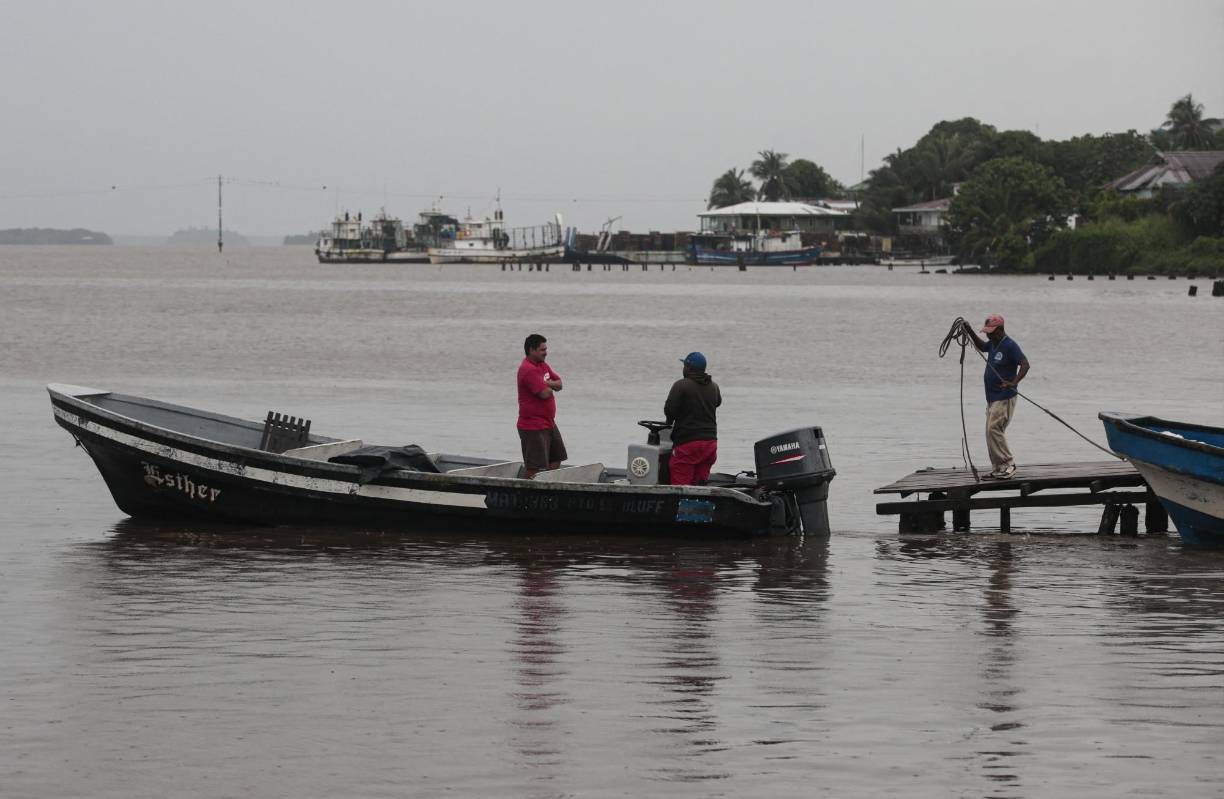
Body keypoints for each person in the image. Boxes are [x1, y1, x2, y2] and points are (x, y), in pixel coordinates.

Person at [961, 314, 1030, 479]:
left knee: (994, 429)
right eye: (987, 332)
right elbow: (982, 345)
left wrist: (1013, 382)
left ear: (999, 330)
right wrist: (969, 330)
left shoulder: (1010, 345)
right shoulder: (993, 344)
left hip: (1005, 396)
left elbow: (1025, 364)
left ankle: (1009, 464)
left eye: (991, 331)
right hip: (992, 397)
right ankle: (998, 467)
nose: (988, 334)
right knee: (990, 431)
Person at [664, 351, 722, 486]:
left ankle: (679, 505)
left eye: (684, 366)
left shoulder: (681, 385)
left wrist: (669, 421)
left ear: (689, 368)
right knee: (699, 486)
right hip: (710, 444)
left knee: (681, 486)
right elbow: (717, 402)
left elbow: (670, 410)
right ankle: (699, 505)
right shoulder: (714, 386)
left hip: (688, 445)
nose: (683, 369)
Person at [517, 333, 567, 478]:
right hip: (533, 426)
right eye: (542, 350)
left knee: (556, 459)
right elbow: (544, 394)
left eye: (546, 349)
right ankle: (525, 492)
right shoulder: (527, 369)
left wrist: (545, 382)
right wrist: (550, 385)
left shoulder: (542, 365)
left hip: (549, 423)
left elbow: (560, 384)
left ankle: (547, 489)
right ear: (532, 350)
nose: (546, 352)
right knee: (534, 468)